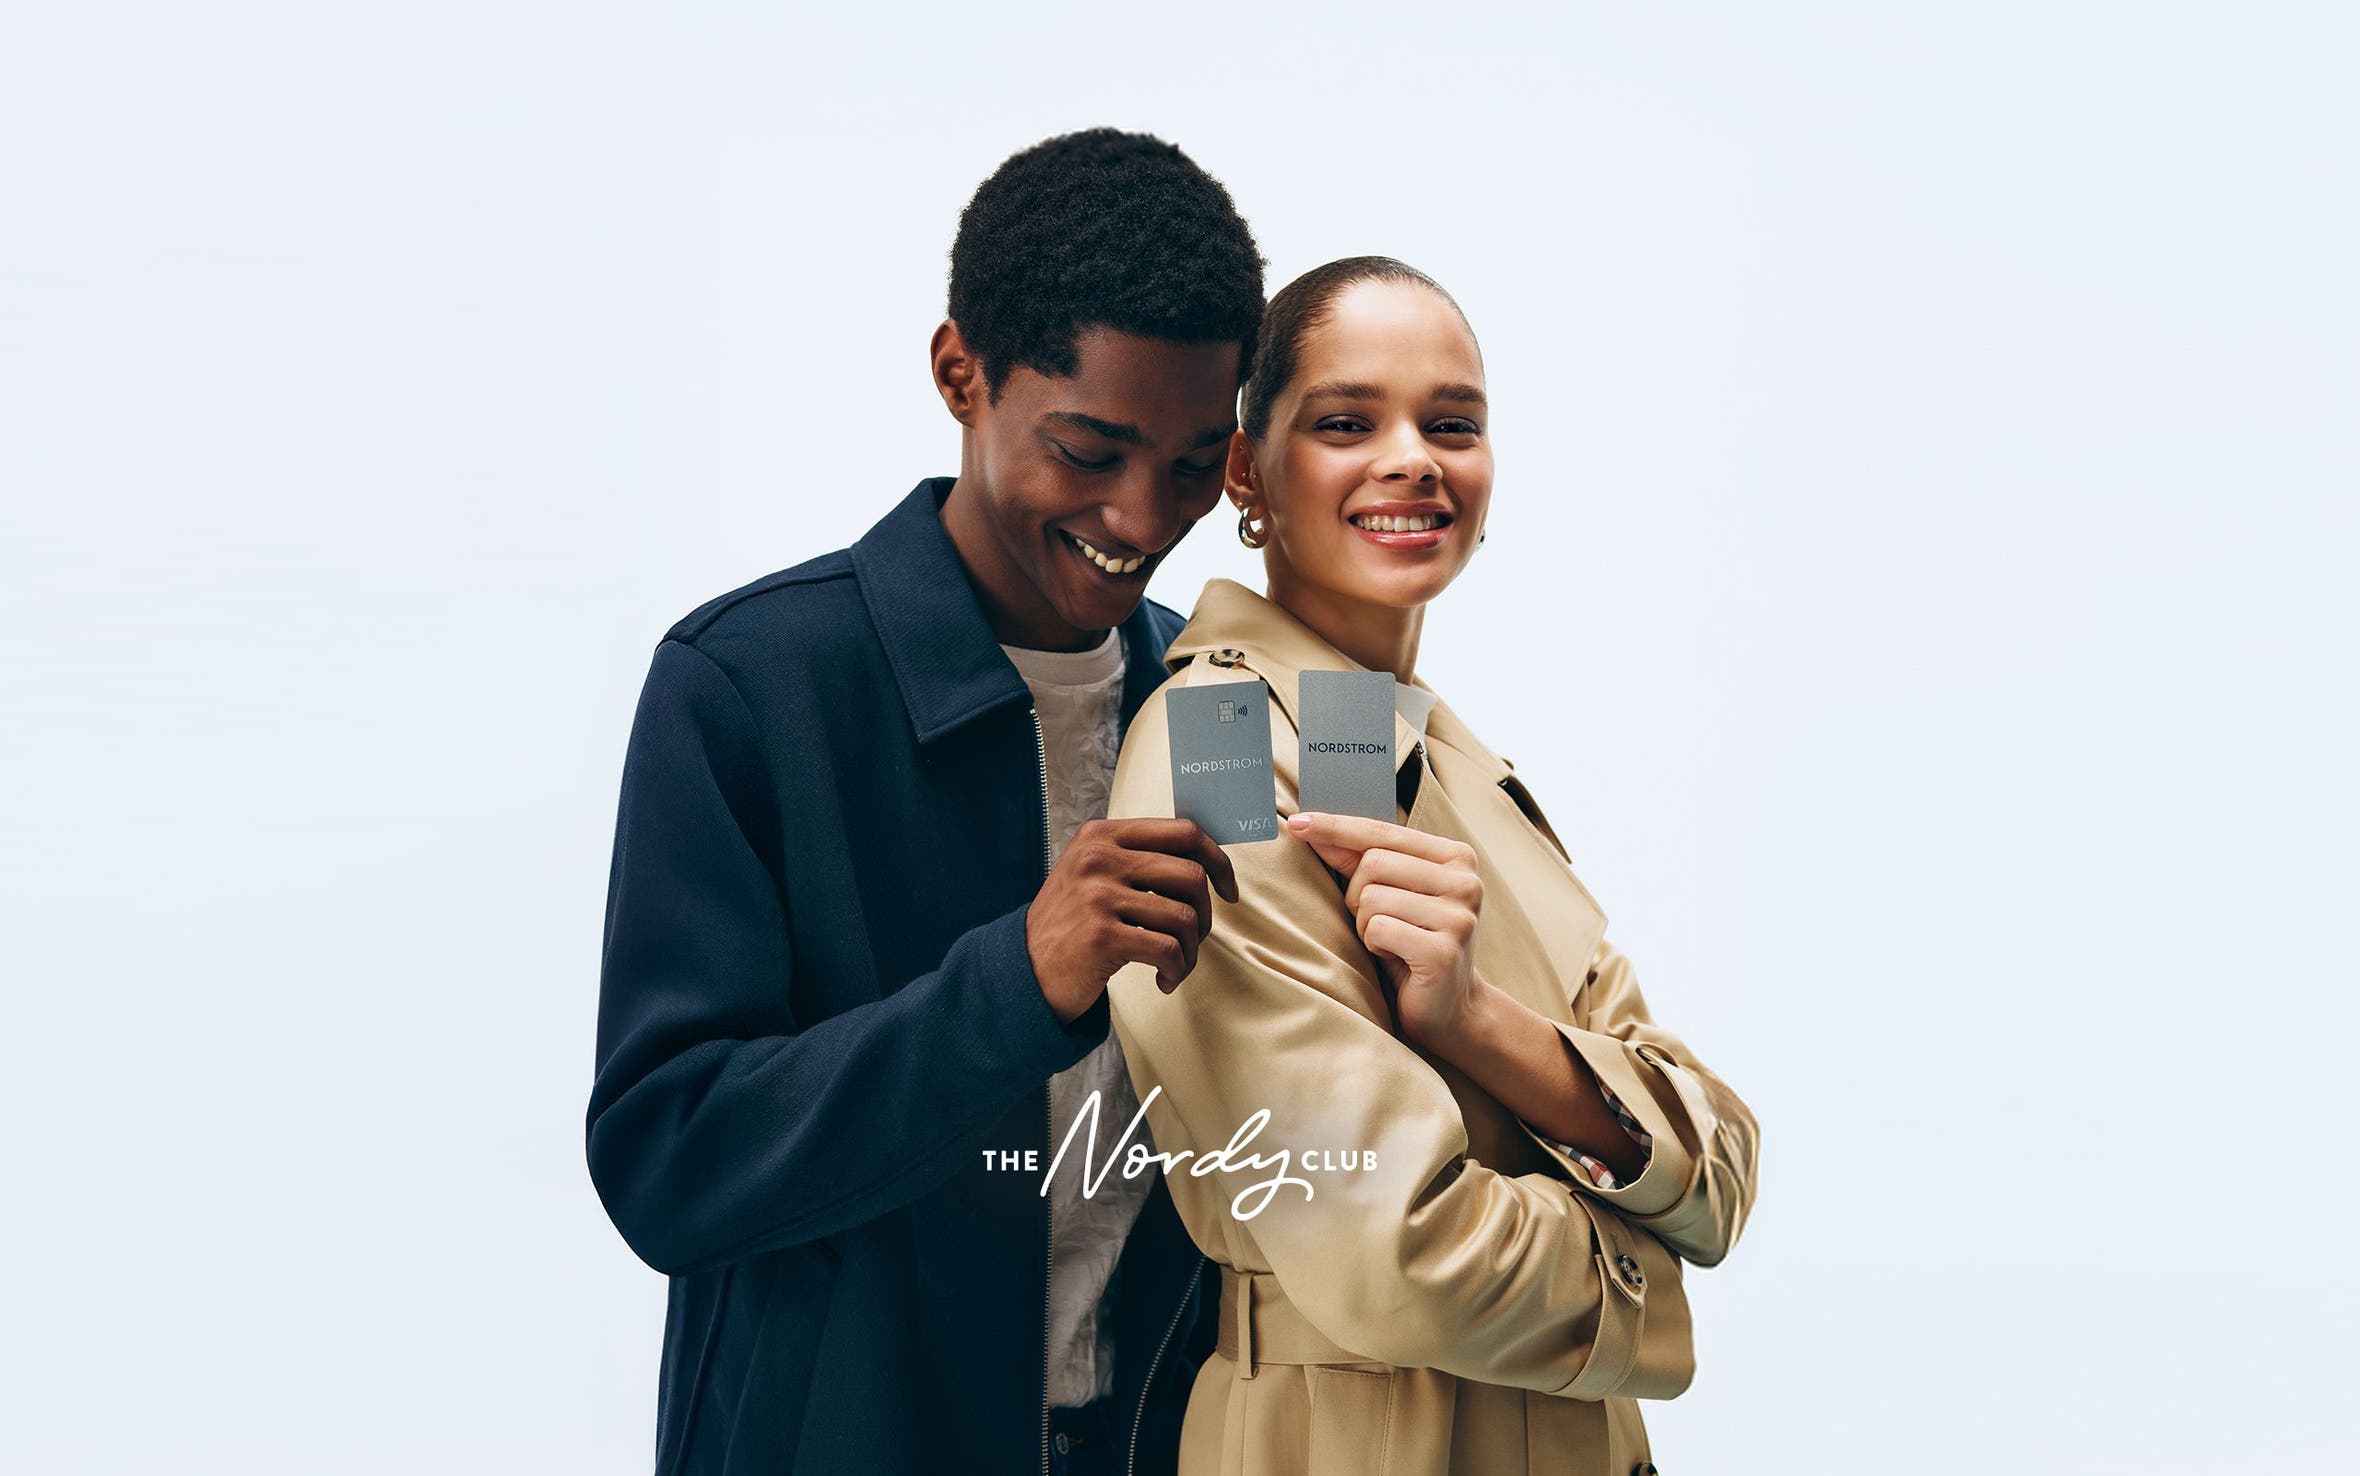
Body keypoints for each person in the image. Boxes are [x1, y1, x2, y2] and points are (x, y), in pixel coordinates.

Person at [586, 129, 1265, 1475]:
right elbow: (669, 1165)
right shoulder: (748, 683)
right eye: (1090, 450)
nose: (1143, 518)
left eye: (1195, 465)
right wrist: (1018, 980)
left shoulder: (1219, 696)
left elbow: (1268, 1092)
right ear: (961, 373)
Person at [1103, 257, 1761, 1474]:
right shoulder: (1221, 743)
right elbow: (1395, 1246)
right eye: (1345, 423)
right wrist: (1650, 1283)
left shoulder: (1415, 742)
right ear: (1247, 471)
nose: (1411, 459)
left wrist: (1477, 1024)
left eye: (1450, 424)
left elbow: (1716, 1160)